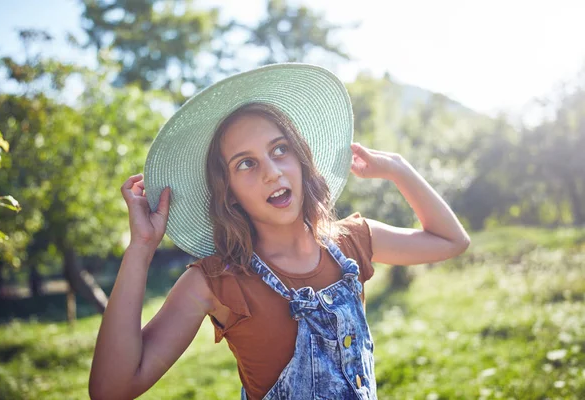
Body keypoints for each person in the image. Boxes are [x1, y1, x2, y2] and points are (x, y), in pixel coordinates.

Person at [89, 64, 471, 400]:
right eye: (245, 164)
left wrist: (398, 168)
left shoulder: (353, 240)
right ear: (229, 194)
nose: (272, 171)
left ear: (301, 160)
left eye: (280, 149)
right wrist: (140, 248)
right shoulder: (215, 283)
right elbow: (112, 389)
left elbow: (451, 240)